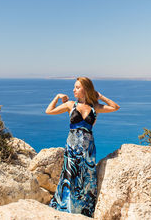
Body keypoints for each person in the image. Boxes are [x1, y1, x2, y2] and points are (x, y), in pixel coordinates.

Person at [45, 76, 120, 217]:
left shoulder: (95, 107)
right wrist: (57, 97)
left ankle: (83, 212)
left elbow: (115, 107)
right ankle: (66, 209)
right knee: (69, 177)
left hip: (88, 150)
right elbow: (49, 111)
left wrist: (100, 96)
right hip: (72, 148)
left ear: (85, 89)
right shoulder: (70, 105)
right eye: (74, 87)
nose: (74, 90)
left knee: (87, 180)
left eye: (77, 87)